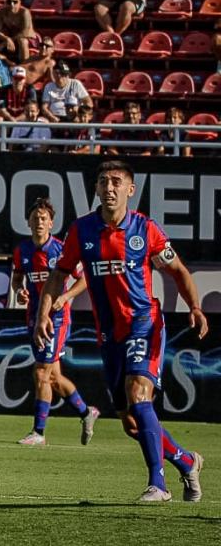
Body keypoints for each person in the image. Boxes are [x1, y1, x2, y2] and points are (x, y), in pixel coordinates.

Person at [38, 160, 208, 503]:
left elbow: (177, 270)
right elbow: (60, 274)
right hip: (109, 335)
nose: (109, 187)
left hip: (144, 323)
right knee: (131, 423)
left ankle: (158, 485)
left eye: (117, 181)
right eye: (103, 181)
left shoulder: (145, 230)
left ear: (131, 189)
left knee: (138, 392)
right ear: (97, 190)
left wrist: (195, 307)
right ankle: (186, 460)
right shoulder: (81, 230)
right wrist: (44, 312)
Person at [11, 197, 98, 447]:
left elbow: (84, 278)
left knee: (41, 372)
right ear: (28, 222)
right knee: (54, 378)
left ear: (51, 223)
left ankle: (39, 432)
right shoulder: (22, 250)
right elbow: (17, 279)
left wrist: (67, 296)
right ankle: (86, 412)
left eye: (44, 218)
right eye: (35, 218)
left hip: (56, 318)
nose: (39, 222)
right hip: (34, 315)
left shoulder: (60, 250)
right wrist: (19, 290)